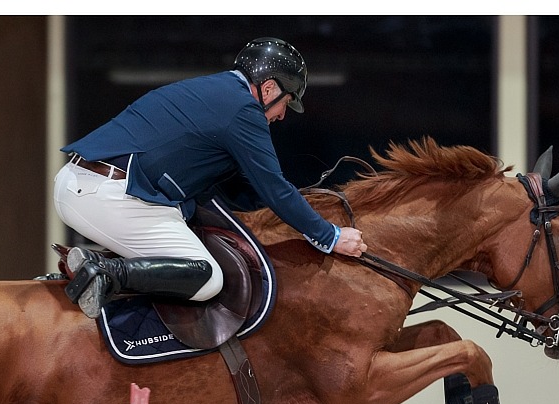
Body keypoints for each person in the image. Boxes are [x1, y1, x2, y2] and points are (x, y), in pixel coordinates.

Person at [54, 37, 367, 319]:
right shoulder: (243, 111)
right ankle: (101, 271)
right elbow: (273, 188)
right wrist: (330, 237)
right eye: (286, 102)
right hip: (109, 196)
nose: (283, 114)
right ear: (269, 88)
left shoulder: (217, 92)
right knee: (207, 277)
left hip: (82, 181)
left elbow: (241, 187)